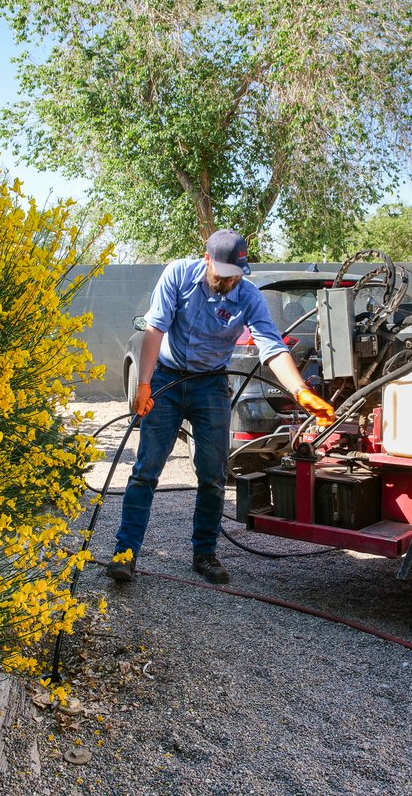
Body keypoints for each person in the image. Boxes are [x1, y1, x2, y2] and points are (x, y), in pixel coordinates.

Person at [106, 229, 335, 585]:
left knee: (213, 475)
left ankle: (205, 554)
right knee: (146, 470)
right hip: (166, 379)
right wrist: (144, 383)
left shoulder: (248, 295)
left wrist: (300, 391)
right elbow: (154, 331)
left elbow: (271, 346)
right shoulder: (178, 274)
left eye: (235, 276)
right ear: (207, 259)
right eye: (224, 274)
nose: (229, 282)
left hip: (211, 385)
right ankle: (125, 553)